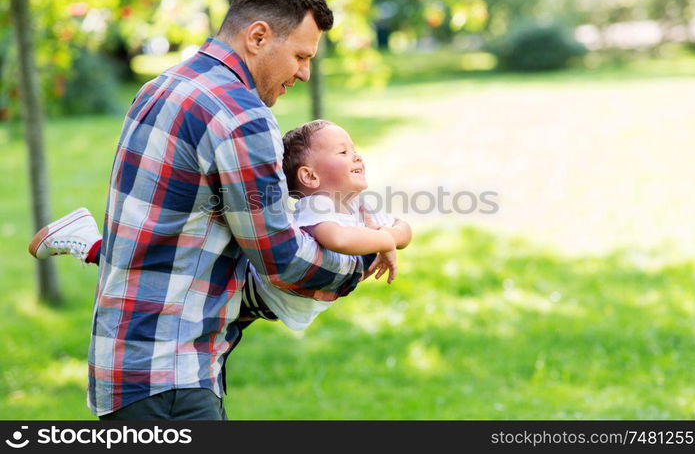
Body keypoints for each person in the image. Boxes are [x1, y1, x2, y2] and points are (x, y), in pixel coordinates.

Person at [28, 0, 383, 420]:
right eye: (300, 56)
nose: (305, 73)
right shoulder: (241, 116)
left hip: (121, 370)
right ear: (257, 37)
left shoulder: (159, 89)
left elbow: (146, 235)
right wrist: (366, 256)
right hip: (173, 381)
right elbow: (283, 260)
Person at [30, 120, 412, 331]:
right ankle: (89, 243)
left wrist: (389, 238)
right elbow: (338, 238)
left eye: (354, 147)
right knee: (167, 283)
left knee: (168, 281)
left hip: (263, 301)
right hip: (251, 292)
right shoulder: (317, 208)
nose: (356, 154)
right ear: (310, 177)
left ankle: (91, 243)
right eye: (343, 151)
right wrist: (382, 239)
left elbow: (404, 229)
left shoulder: (359, 206)